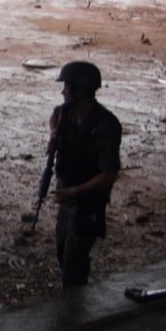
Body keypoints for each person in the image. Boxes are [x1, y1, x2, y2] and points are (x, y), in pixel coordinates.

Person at [48, 61, 122, 288]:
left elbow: (109, 174)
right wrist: (53, 134)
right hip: (68, 194)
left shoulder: (105, 125)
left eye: (67, 88)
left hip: (87, 200)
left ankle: (76, 309)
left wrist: (76, 191)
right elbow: (55, 115)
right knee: (62, 251)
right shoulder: (67, 113)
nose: (63, 92)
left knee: (75, 259)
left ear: (80, 91)